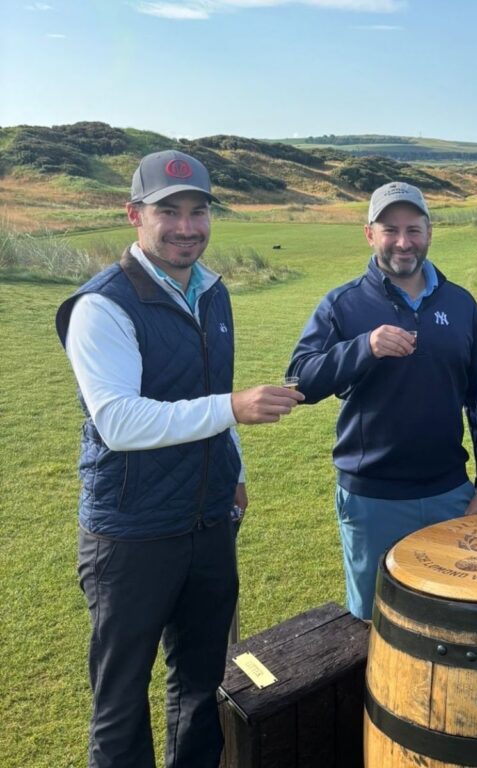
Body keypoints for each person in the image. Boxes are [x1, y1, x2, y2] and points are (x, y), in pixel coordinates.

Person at [55, 149, 303, 768]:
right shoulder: (102, 306)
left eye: (198, 211)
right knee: (119, 707)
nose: (187, 226)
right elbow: (119, 421)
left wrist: (235, 471)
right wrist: (234, 410)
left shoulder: (211, 292)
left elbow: (212, 389)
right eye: (170, 212)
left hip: (208, 522)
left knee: (201, 690)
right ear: (134, 215)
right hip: (131, 532)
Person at [287, 181, 477, 620]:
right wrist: (366, 347)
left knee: (455, 617)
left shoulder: (460, 303)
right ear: (369, 234)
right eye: (390, 229)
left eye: (413, 229)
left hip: (450, 493)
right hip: (372, 498)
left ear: (429, 232)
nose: (402, 242)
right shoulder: (343, 303)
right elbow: (300, 380)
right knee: (376, 623)